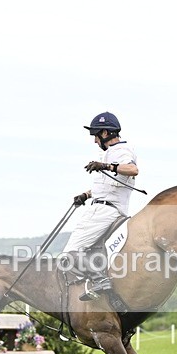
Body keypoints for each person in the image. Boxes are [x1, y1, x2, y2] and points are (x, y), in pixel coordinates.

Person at [63, 111, 139, 301]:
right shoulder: (108, 153)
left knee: (68, 255)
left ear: (105, 133)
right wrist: (86, 195)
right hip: (103, 205)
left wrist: (107, 166)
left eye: (95, 135)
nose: (94, 141)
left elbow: (133, 169)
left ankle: (101, 281)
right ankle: (107, 292)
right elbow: (106, 185)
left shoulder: (122, 151)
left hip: (105, 210)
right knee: (92, 253)